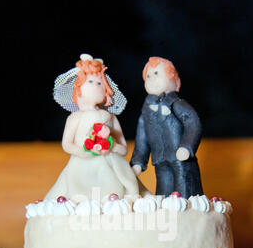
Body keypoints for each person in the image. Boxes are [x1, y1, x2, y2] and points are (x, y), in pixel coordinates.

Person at [46, 54, 139, 201]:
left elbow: (124, 149)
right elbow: (67, 144)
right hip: (82, 167)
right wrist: (84, 151)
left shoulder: (110, 117)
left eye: (100, 82)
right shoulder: (75, 117)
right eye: (90, 81)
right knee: (79, 194)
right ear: (78, 87)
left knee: (116, 191)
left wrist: (111, 145)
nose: (96, 86)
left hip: (110, 166)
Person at [130, 56, 203, 198]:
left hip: (180, 158)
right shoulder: (146, 111)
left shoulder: (177, 104)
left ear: (173, 79)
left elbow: (193, 123)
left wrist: (186, 147)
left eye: (157, 74)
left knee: (184, 190)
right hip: (160, 159)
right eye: (149, 76)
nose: (152, 79)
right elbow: (142, 139)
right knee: (163, 193)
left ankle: (187, 214)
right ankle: (166, 217)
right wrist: (138, 162)